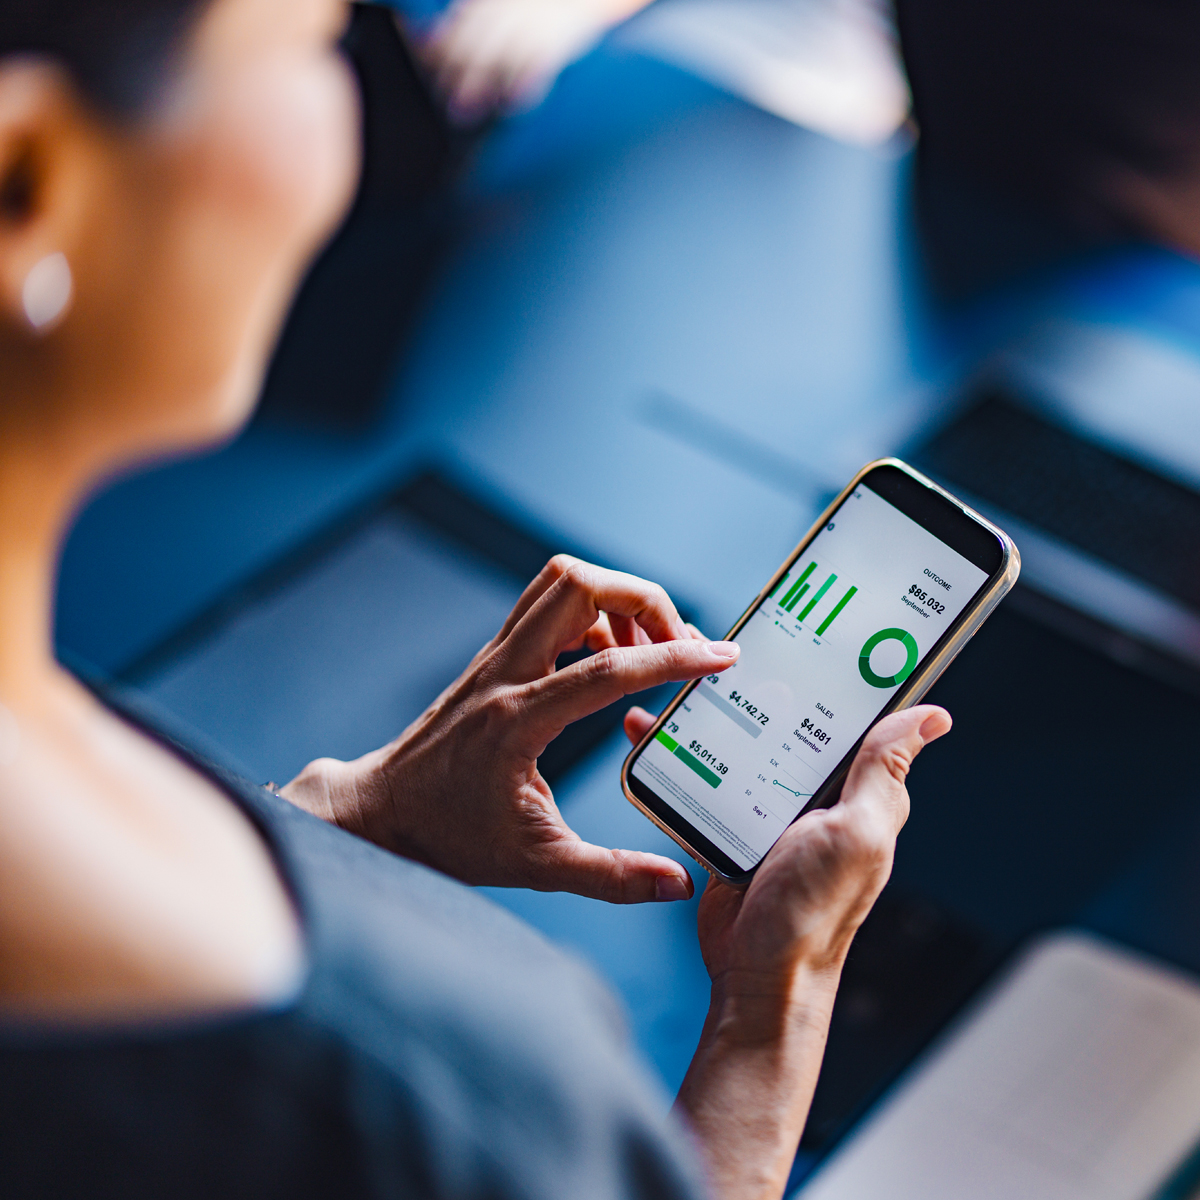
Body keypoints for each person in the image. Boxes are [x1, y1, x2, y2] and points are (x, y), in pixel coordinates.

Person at [0, 2, 952, 1197]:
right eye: (309, 49)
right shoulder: (462, 1106)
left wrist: (342, 818)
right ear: (26, 180)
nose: (348, 126)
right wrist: (776, 998)